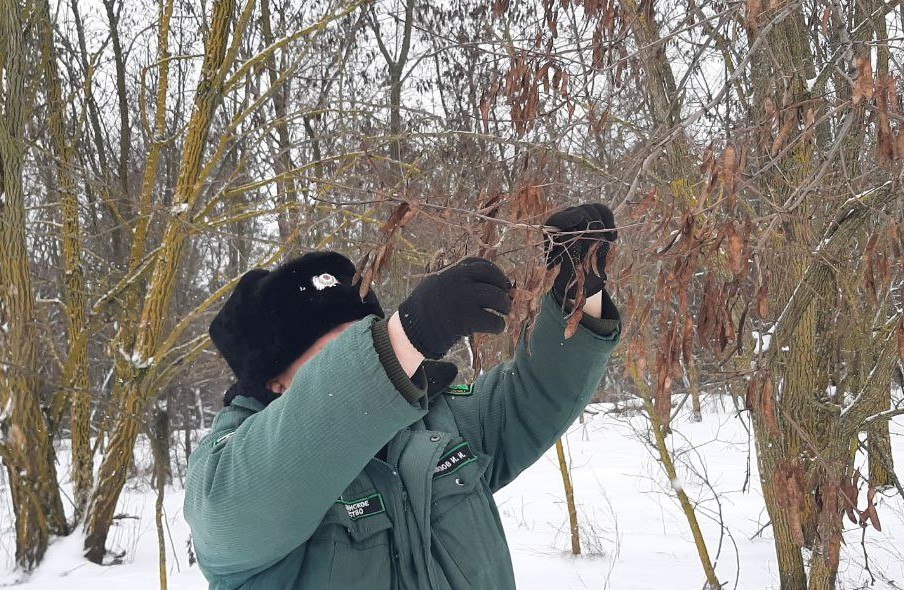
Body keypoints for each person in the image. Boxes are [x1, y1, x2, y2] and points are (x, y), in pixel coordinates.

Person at [184, 203, 621, 589]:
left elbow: (534, 396)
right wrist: (404, 338)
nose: (359, 346)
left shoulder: (437, 423)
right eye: (334, 346)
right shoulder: (227, 469)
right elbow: (233, 514)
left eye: (365, 332)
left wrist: (579, 296)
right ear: (275, 381)